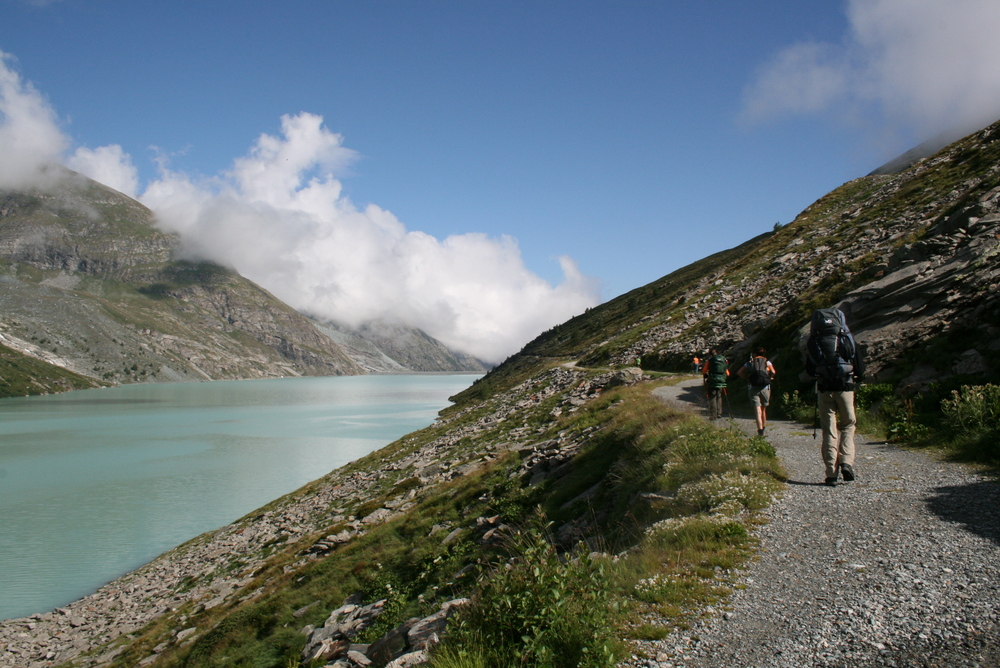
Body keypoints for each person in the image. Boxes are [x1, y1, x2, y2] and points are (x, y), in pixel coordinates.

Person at [805, 308, 866, 487]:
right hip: (845, 386)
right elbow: (860, 367)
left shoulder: (814, 340)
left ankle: (831, 473)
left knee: (829, 429)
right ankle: (846, 462)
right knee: (848, 424)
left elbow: (810, 369)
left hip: (824, 388)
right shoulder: (846, 337)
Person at [738, 347, 776, 436]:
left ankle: (760, 430)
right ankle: (764, 426)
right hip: (765, 387)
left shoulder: (750, 362)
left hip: (753, 387)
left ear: (754, 354)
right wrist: (769, 377)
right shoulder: (767, 362)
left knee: (757, 410)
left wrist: (748, 378)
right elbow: (773, 371)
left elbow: (739, 372)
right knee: (763, 409)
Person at [701, 347, 729, 420]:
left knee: (712, 396)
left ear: (710, 354)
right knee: (719, 396)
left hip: (712, 380)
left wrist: (707, 374)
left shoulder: (710, 361)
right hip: (721, 381)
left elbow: (704, 371)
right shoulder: (723, 360)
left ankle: (713, 414)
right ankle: (719, 413)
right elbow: (727, 373)